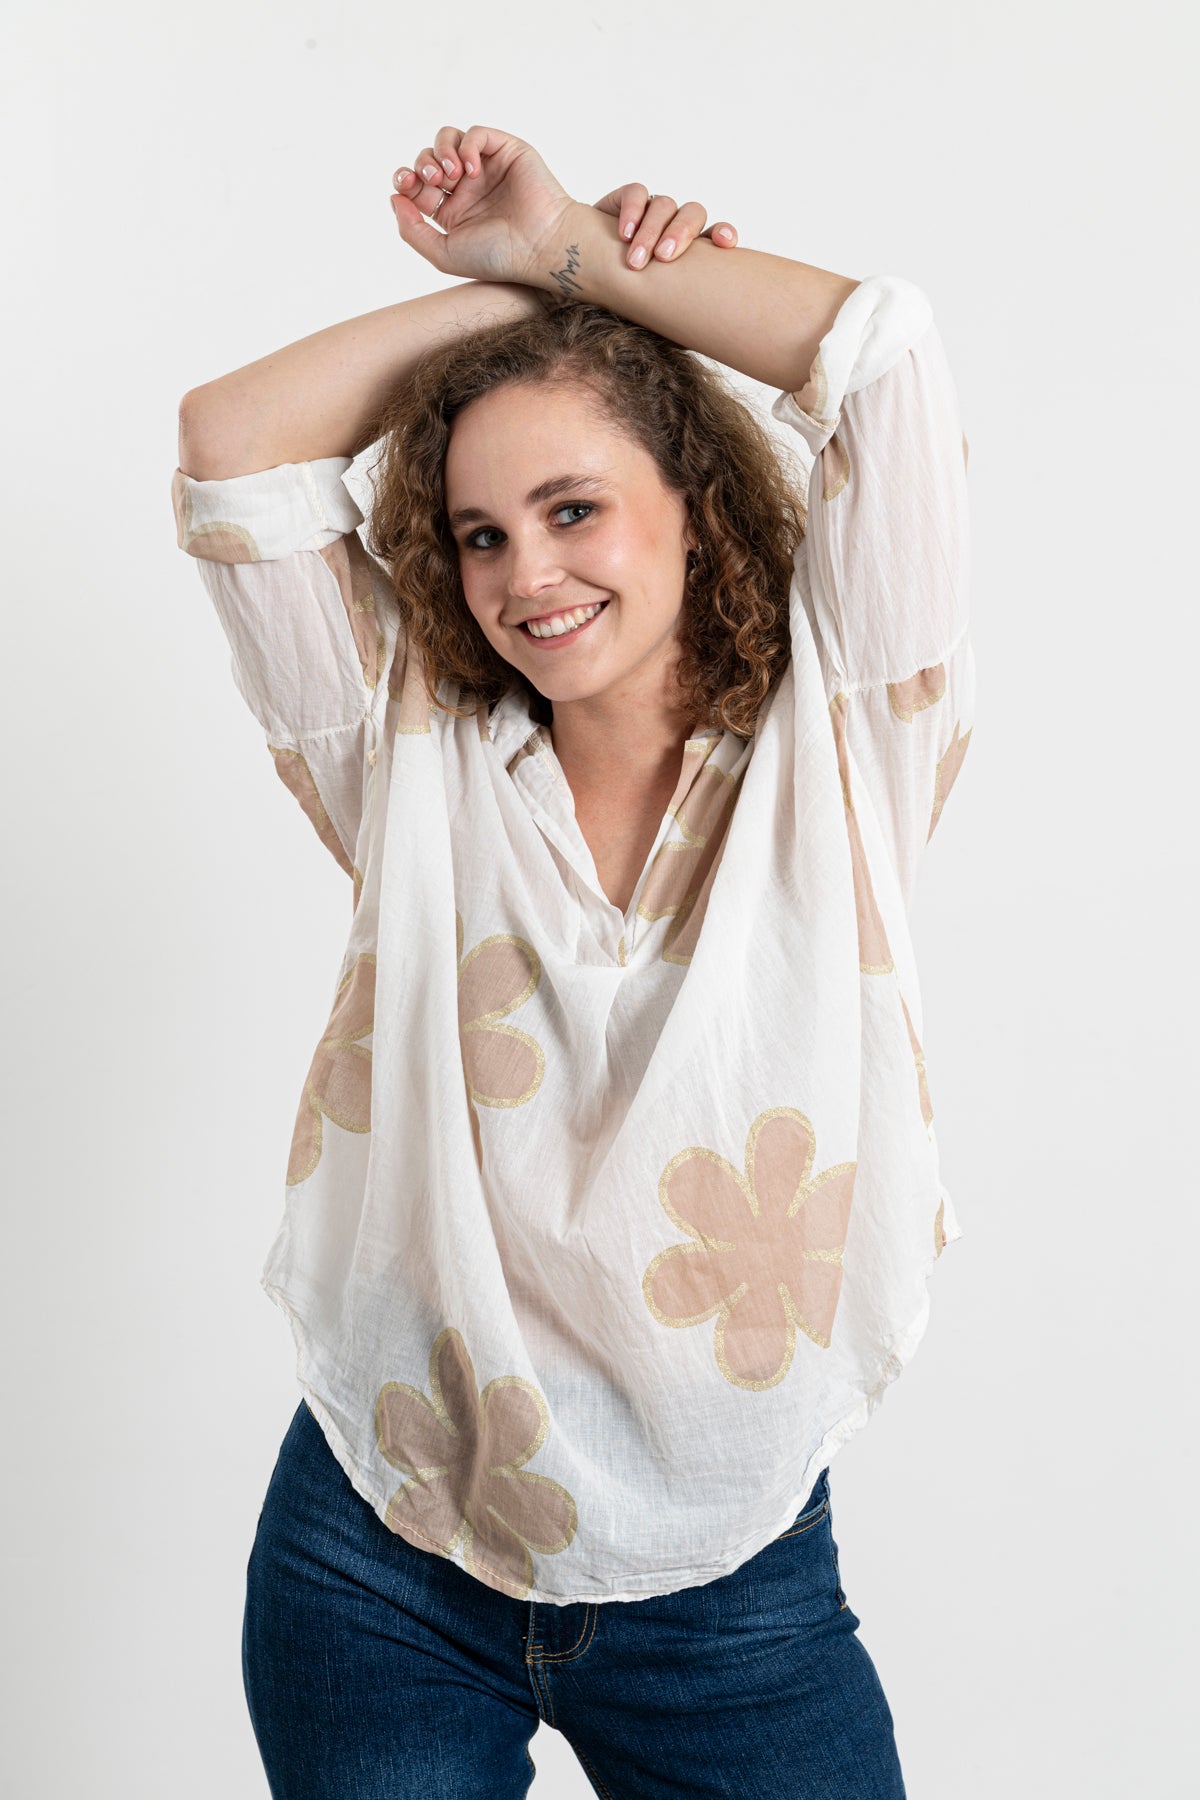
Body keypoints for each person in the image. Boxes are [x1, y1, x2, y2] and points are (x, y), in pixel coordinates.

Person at [174, 123, 975, 1800]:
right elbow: (233, 445)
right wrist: (526, 303)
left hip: (730, 1582)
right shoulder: (410, 758)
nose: (525, 574)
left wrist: (576, 261)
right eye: (478, 534)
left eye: (573, 508)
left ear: (695, 501)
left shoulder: (840, 745)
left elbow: (884, 361)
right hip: (379, 1549)